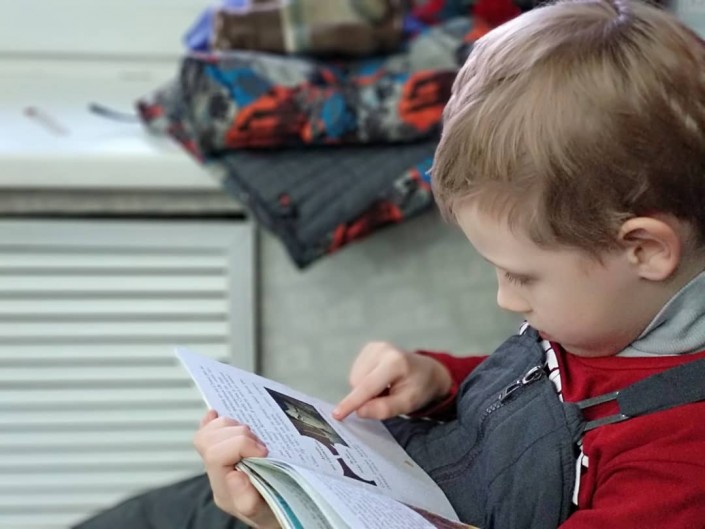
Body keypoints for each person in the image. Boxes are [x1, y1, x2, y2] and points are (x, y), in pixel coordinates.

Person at [194, 1, 705, 527]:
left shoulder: (680, 464)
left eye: (521, 276)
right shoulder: (609, 315)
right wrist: (441, 381)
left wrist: (293, 518)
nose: (505, 299)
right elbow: (546, 394)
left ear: (645, 250)